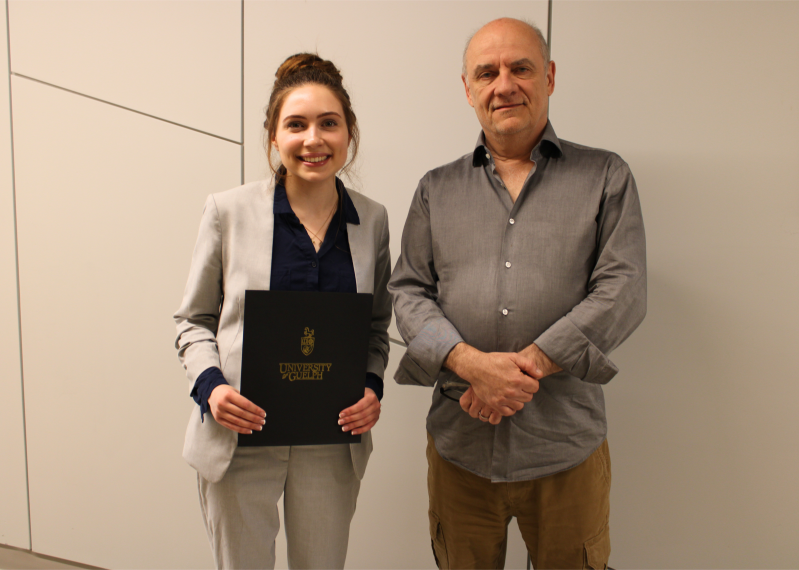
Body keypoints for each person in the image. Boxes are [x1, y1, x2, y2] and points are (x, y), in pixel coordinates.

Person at [388, 18, 646, 569]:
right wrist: (470, 364)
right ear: (468, 89)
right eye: (487, 72)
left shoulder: (605, 177)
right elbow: (408, 290)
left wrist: (523, 367)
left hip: (565, 451)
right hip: (461, 449)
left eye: (520, 68)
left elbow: (623, 289)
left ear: (549, 77)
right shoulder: (435, 189)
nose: (503, 85)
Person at [174, 53, 391, 569]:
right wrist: (212, 388)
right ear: (274, 136)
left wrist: (372, 387)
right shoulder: (227, 211)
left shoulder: (374, 221)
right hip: (240, 433)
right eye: (296, 124)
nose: (312, 139)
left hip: (330, 439)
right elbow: (193, 320)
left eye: (328, 123)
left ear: (348, 134)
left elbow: (376, 329)